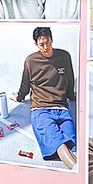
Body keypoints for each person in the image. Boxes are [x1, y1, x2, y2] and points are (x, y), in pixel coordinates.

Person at [14, 27, 77, 168]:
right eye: (41, 44)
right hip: (41, 110)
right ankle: (79, 173)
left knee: (72, 146)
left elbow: (70, 79)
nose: (46, 47)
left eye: (48, 42)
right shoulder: (30, 61)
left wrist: (71, 96)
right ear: (36, 44)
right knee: (59, 145)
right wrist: (18, 97)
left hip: (62, 109)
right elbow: (25, 85)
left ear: (52, 40)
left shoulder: (64, 56)